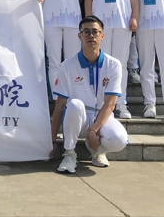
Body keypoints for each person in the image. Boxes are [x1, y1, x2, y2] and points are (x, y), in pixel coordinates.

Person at [52, 16, 128, 173]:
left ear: (102, 36)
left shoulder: (113, 65)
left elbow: (110, 104)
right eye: (86, 32)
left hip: (102, 117)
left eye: (95, 32)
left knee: (120, 139)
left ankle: (97, 150)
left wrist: (94, 131)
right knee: (74, 104)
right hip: (78, 118)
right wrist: (52, 140)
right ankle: (69, 154)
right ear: (79, 36)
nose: (91, 36)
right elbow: (59, 106)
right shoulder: (67, 65)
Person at [84, 0, 139, 119]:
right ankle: (101, 104)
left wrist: (134, 16)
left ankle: (120, 103)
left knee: (121, 63)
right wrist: (89, 21)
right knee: (101, 62)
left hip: (123, 20)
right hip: (100, 21)